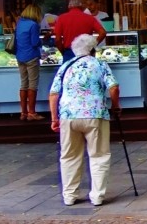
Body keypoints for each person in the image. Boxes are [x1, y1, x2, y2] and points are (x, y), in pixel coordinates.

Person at [48, 33, 120, 206]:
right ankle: (97, 196)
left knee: (69, 156)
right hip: (95, 114)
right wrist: (115, 106)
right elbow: (114, 88)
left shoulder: (66, 66)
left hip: (68, 115)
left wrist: (54, 118)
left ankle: (69, 196)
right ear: (93, 50)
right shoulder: (100, 64)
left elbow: (53, 94)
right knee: (99, 155)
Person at [15, 4, 45, 121]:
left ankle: (23, 113)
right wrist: (43, 40)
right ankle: (32, 113)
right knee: (33, 85)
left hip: (20, 56)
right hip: (31, 57)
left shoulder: (20, 23)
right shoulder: (33, 25)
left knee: (23, 84)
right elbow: (34, 42)